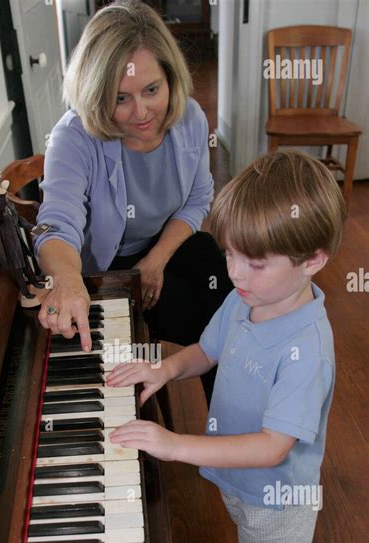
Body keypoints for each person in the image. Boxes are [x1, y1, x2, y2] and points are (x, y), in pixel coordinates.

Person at [107, 148, 345, 543]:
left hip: (276, 493)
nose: (235, 271)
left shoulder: (306, 348)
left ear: (313, 259)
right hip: (241, 479)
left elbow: (271, 446)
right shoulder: (245, 297)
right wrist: (165, 370)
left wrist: (173, 444)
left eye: (254, 262)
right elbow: (207, 350)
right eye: (230, 253)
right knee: (246, 536)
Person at [34, 0, 232, 402]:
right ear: (95, 93)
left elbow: (197, 200)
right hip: (98, 271)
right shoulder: (72, 138)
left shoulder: (190, 118)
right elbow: (57, 223)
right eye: (120, 98)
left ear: (170, 78)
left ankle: (227, 424)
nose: (142, 112)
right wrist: (68, 280)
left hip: (159, 252)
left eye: (151, 90)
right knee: (116, 358)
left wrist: (155, 262)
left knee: (223, 302)